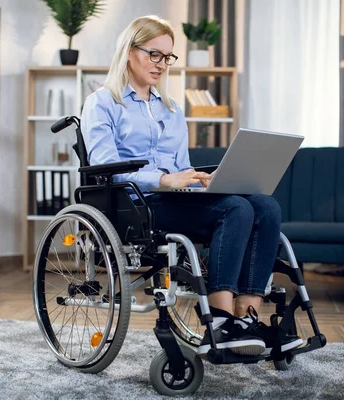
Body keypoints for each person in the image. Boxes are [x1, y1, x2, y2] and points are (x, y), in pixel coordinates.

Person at [80, 15, 302, 358]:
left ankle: (247, 318)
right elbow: (104, 169)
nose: (161, 64)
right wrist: (164, 179)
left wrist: (203, 181)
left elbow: (182, 167)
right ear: (128, 51)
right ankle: (219, 319)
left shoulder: (171, 109)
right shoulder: (103, 103)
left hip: (178, 199)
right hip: (138, 204)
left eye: (167, 57)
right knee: (236, 209)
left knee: (265, 205)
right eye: (154, 54)